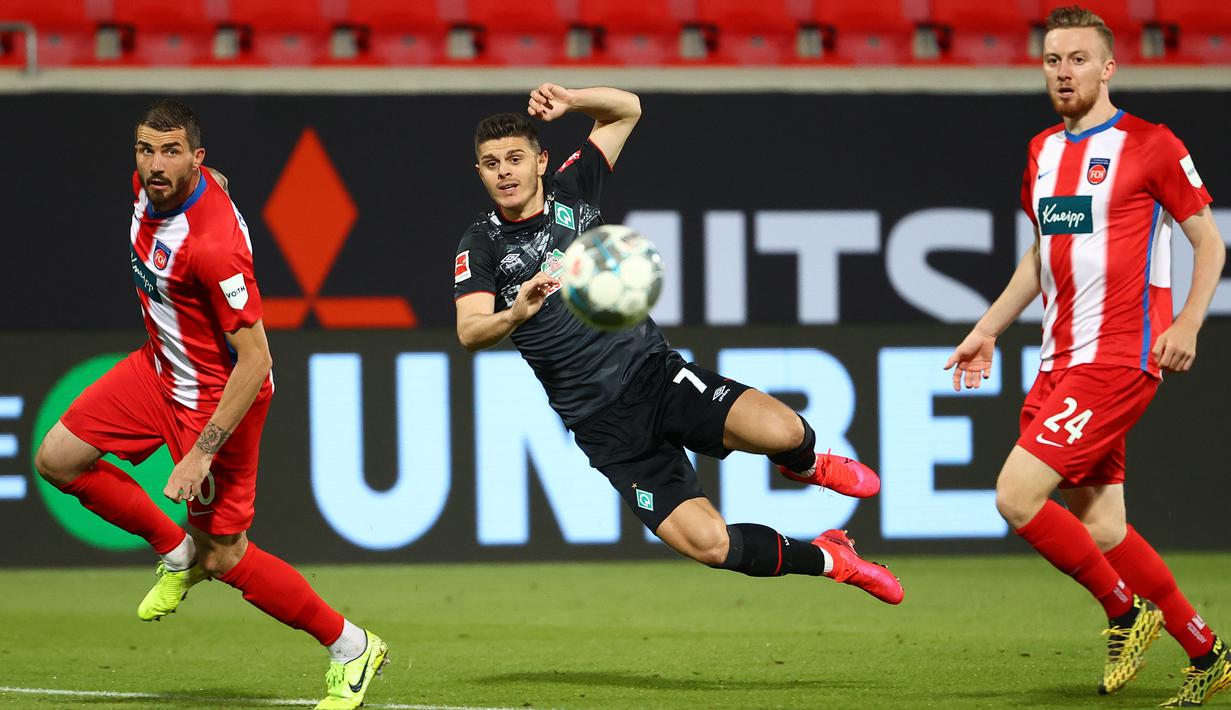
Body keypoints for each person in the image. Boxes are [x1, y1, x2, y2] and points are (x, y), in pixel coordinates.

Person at [454, 83, 903, 605]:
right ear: (480, 173)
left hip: (655, 376)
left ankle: (804, 466)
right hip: (604, 427)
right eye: (491, 163)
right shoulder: (480, 244)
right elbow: (470, 332)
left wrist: (572, 101)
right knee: (710, 545)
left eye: (515, 158)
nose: (504, 172)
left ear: (540, 161)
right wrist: (514, 313)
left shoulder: (572, 190)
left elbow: (628, 110)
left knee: (785, 430)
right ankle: (835, 560)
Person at [33, 99, 387, 710]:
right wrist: (204, 179)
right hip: (156, 369)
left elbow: (256, 361)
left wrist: (199, 455)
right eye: (146, 150)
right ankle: (174, 551)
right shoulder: (156, 186)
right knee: (57, 461)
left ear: (197, 158)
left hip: (217, 399)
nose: (154, 165)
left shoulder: (214, 247)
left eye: (171, 152)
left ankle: (350, 646)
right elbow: (207, 184)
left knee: (225, 558)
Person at [945, 7, 1228, 706]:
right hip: (1057, 359)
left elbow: (1209, 241)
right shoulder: (1042, 152)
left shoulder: (1149, 144)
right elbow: (1042, 253)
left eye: (1076, 59)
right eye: (1051, 60)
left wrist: (1189, 321)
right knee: (1101, 526)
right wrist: (986, 328)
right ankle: (1207, 652)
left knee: (1015, 496)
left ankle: (1126, 614)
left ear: (1106, 68)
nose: (1062, 72)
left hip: (1117, 355)